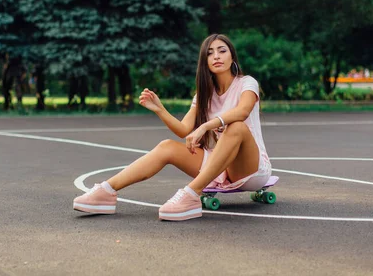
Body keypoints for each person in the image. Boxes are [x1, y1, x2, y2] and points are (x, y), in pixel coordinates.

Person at [73, 34, 271, 221]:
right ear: (205, 62)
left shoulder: (247, 83)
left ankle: (192, 194)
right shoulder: (204, 95)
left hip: (251, 170)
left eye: (222, 51)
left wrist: (205, 126)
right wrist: (160, 109)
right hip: (220, 168)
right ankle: (107, 191)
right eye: (209, 53)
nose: (216, 56)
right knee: (167, 146)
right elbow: (184, 129)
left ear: (232, 57)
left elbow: (242, 112)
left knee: (236, 127)